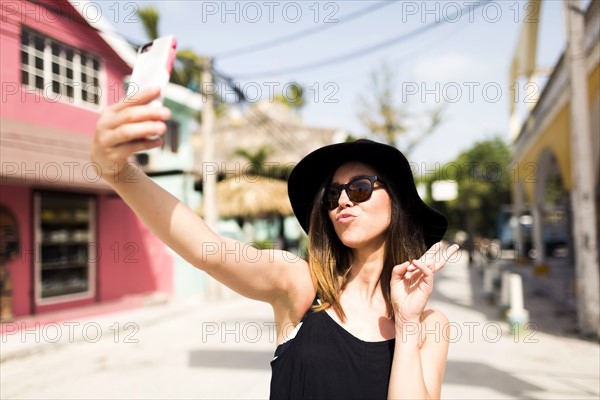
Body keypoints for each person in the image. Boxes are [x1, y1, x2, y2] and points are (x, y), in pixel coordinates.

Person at [92, 87, 459, 400]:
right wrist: (119, 173)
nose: (343, 201)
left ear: (397, 204)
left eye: (360, 188)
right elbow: (210, 251)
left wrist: (408, 323)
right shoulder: (301, 285)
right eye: (332, 195)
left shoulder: (429, 323)